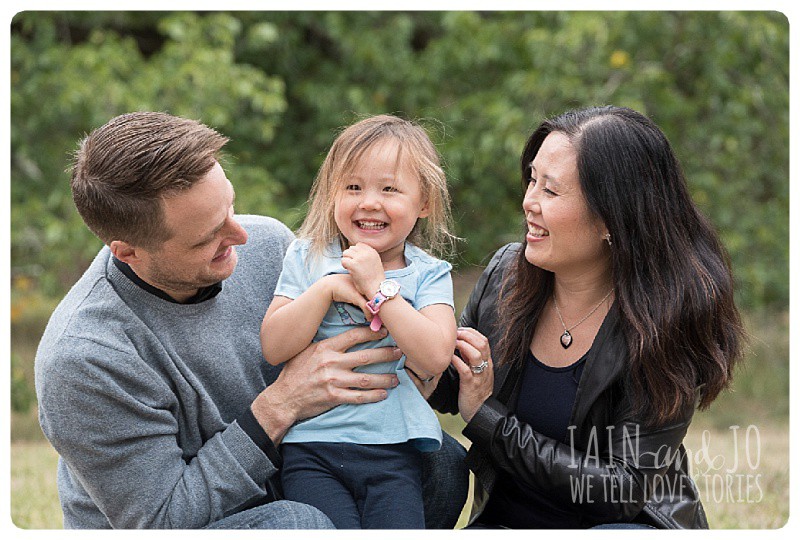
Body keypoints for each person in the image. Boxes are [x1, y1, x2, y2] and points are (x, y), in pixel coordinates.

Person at [34, 111, 468, 529]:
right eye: (209, 237)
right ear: (128, 252)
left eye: (231, 207)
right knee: (300, 525)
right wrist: (280, 405)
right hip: (196, 521)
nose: (242, 236)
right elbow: (160, 520)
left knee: (441, 463)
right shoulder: (84, 359)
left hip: (290, 477)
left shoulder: (263, 243)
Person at [426, 106, 745, 529]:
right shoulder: (506, 272)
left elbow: (623, 489)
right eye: (532, 180)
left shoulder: (667, 317)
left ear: (611, 218)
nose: (528, 203)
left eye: (551, 192)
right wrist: (403, 340)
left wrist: (489, 419)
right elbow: (451, 386)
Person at [260, 115, 457, 529]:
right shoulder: (307, 256)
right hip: (311, 448)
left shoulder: (428, 273)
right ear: (331, 195)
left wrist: (379, 288)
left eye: (389, 189)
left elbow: (437, 356)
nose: (369, 202)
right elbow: (275, 346)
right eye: (353, 187)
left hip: (392, 450)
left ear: (424, 203)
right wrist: (327, 290)